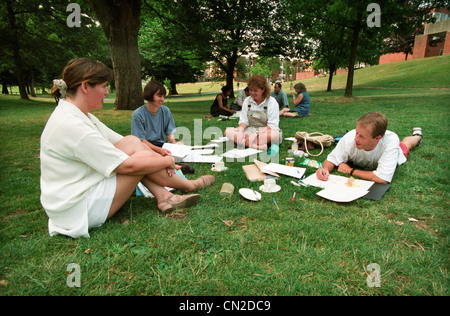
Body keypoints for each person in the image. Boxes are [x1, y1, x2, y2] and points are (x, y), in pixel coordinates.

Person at [40, 58, 214, 238]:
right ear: (85, 87)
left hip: (77, 193)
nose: (107, 92)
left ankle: (164, 196)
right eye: (104, 86)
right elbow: (127, 166)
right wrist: (167, 161)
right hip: (77, 208)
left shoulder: (78, 115)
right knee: (135, 163)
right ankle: (189, 185)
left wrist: (159, 159)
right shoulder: (72, 125)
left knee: (132, 143)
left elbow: (129, 142)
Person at [316, 112, 422, 184]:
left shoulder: (390, 142)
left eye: (361, 136)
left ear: (377, 138)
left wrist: (350, 171)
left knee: (406, 145)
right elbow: (331, 160)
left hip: (397, 151)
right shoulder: (350, 137)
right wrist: (325, 169)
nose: (355, 138)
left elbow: (382, 178)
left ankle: (417, 136)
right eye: (357, 132)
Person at [225, 75, 280, 151]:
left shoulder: (272, 102)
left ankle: (243, 142)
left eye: (255, 90)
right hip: (251, 130)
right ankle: (256, 145)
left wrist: (256, 134)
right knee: (228, 131)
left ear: (263, 89)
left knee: (275, 135)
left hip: (266, 132)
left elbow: (272, 125)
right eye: (251, 90)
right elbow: (244, 121)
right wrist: (241, 130)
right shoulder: (247, 101)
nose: (252, 93)